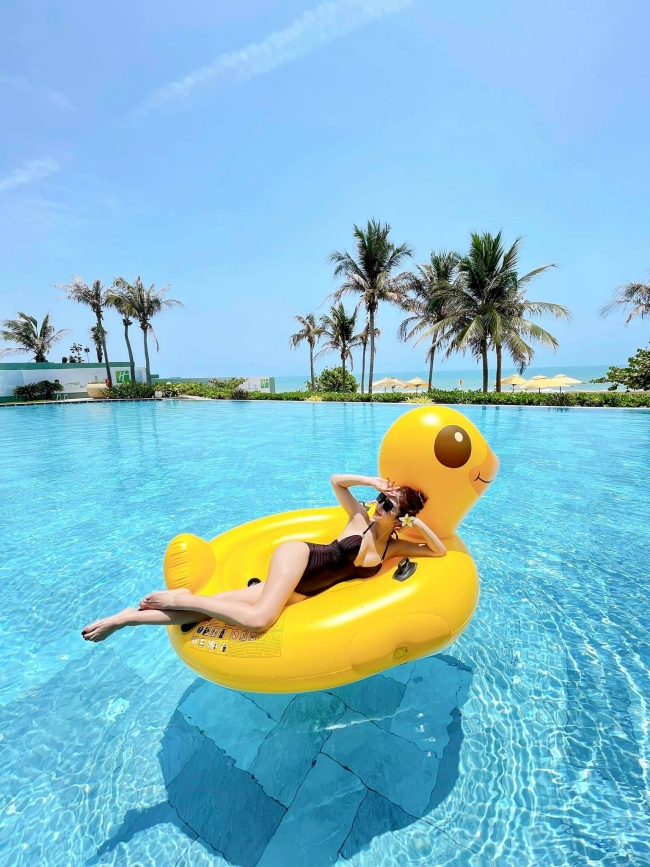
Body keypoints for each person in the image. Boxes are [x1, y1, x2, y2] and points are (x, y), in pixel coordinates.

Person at [81, 475, 447, 643]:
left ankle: (125, 618)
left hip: (302, 590)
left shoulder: (392, 548)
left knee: (210, 610)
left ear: (401, 518)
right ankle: (180, 598)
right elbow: (336, 481)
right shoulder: (359, 519)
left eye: (389, 506)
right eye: (382, 500)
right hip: (299, 559)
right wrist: (372, 483)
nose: (380, 506)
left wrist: (416, 523)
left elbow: (437, 550)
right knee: (259, 621)